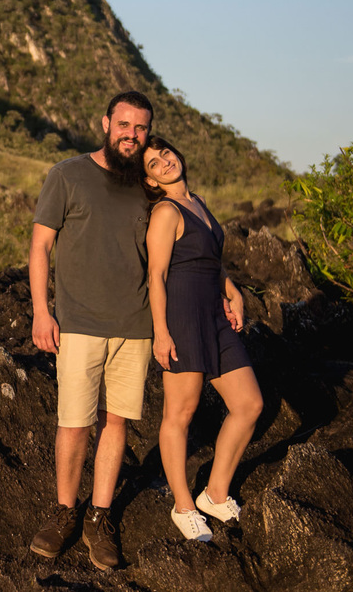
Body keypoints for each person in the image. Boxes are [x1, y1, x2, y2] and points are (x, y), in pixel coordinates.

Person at [28, 90, 154, 570]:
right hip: (78, 323)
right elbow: (41, 247)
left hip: (136, 326)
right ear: (106, 123)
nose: (132, 135)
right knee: (75, 423)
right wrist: (43, 311)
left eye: (141, 128)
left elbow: (180, 239)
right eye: (124, 125)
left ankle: (99, 517)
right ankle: (64, 511)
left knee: (116, 422)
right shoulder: (67, 174)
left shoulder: (147, 185)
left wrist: (225, 284)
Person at [142, 135, 263, 541]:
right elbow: (156, 276)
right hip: (183, 316)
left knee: (249, 404)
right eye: (154, 165)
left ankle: (214, 493)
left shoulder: (199, 203)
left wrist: (233, 291)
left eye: (165, 155)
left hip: (214, 314)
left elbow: (211, 262)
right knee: (180, 413)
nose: (164, 163)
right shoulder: (165, 211)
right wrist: (161, 332)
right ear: (151, 182)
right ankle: (183, 505)